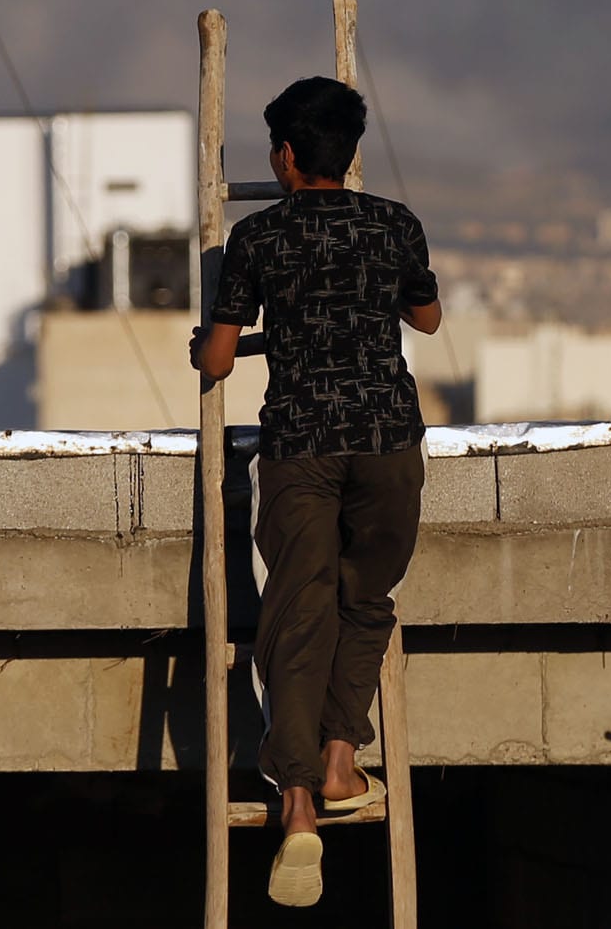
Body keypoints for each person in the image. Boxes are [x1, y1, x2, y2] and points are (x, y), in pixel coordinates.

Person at [190, 75, 443, 910]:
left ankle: (296, 798)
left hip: (300, 443)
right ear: (353, 153)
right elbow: (428, 318)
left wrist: (208, 343)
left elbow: (221, 361)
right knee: (366, 599)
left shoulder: (256, 238)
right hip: (387, 442)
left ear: (288, 156)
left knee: (296, 614)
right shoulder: (393, 223)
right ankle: (343, 753)